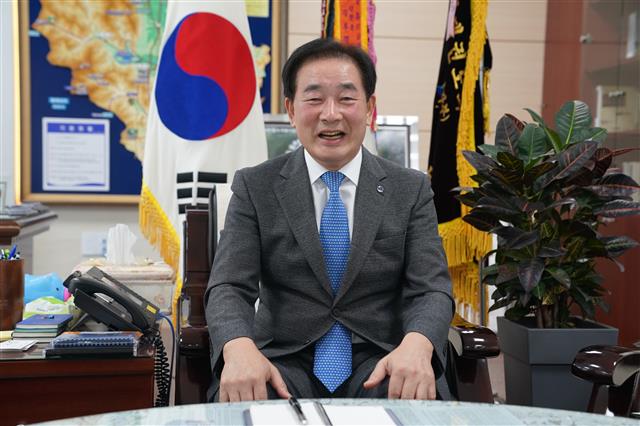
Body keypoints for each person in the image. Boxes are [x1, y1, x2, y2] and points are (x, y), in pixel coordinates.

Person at [205, 38, 454, 402]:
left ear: (369, 108)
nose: (331, 114)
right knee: (247, 403)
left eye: (346, 98)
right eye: (315, 98)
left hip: (381, 358)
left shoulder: (409, 189)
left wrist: (418, 345)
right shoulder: (256, 186)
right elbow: (229, 285)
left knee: (412, 401)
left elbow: (431, 288)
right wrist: (238, 347)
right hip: (282, 360)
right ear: (291, 110)